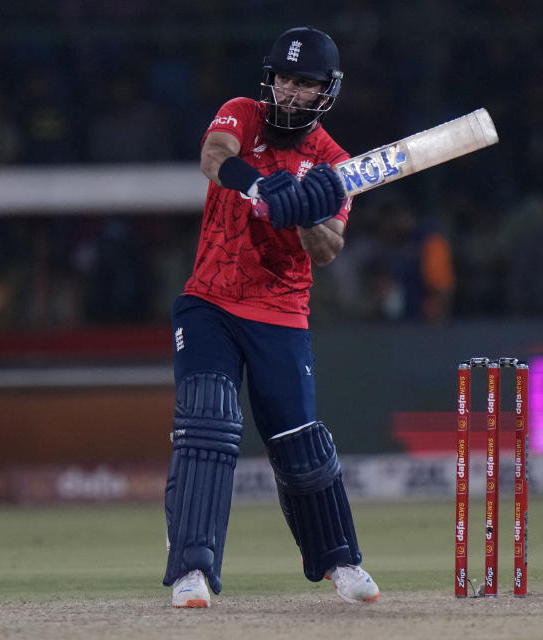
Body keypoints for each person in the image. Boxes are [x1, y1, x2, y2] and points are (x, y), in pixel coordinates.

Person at [162, 26, 380, 609]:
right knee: (206, 422)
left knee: (298, 446)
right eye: (283, 78)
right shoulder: (244, 114)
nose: (288, 91)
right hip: (209, 299)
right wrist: (261, 188)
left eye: (303, 83)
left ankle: (341, 563)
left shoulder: (334, 163)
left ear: (325, 91)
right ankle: (192, 571)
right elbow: (213, 159)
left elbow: (329, 248)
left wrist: (302, 213)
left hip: (281, 312)